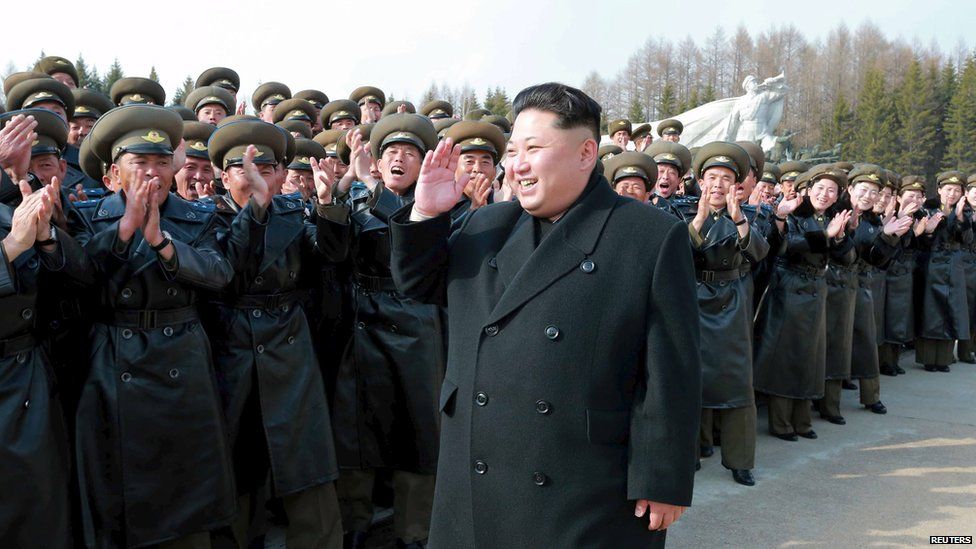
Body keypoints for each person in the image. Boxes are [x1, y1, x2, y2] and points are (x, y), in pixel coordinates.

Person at [389, 82, 701, 547]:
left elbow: (671, 368)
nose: (516, 165)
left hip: (584, 479)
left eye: (534, 148)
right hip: (478, 464)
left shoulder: (648, 236)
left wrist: (664, 478)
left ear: (585, 153)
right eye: (513, 150)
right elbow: (418, 286)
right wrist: (425, 214)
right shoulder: (487, 224)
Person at [69, 105, 239, 547]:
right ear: (112, 175)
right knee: (115, 490)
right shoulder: (88, 217)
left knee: (185, 492)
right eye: (138, 163)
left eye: (162, 163)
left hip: (180, 354)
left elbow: (219, 274)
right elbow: (79, 281)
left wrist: (162, 243)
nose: (151, 173)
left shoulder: (196, 217)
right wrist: (123, 232)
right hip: (111, 359)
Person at [203, 118, 348, 548]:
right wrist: (258, 210)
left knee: (306, 457)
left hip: (288, 341)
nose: (255, 180)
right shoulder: (202, 217)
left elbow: (331, 256)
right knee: (238, 456)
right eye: (244, 170)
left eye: (265, 171)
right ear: (223, 176)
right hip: (231, 345)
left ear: (281, 175)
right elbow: (231, 273)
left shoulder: (293, 212)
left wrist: (327, 205)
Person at [324, 114, 447, 549]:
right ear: (378, 160)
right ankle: (353, 525)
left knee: (418, 431)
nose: (400, 159)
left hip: (415, 321)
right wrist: (331, 201)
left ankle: (414, 533)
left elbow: (409, 240)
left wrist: (373, 191)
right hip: (361, 320)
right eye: (392, 152)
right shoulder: (357, 199)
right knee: (354, 429)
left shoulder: (435, 202)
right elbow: (333, 254)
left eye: (410, 154)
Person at [687, 142, 769, 487]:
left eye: (725, 178)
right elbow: (675, 255)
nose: (717, 184)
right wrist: (700, 219)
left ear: (736, 184)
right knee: (691, 380)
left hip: (733, 300)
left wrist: (737, 217)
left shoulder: (749, 215)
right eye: (711, 177)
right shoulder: (682, 212)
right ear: (700, 182)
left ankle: (739, 461)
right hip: (694, 299)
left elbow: (759, 253)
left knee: (736, 382)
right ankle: (691, 451)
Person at [754, 164, 854, 441]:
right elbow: (788, 245)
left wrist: (841, 235)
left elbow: (847, 258)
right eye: (819, 188)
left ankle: (802, 418)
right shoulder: (795, 214)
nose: (824, 194)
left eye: (831, 190)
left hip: (816, 289)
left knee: (810, 355)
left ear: (836, 197)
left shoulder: (833, 218)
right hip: (790, 287)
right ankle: (781, 421)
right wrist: (826, 237)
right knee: (786, 355)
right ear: (808, 190)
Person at [915, 171, 972, 372]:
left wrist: (958, 218)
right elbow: (919, 241)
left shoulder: (965, 212)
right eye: (948, 189)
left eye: (957, 190)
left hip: (954, 265)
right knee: (931, 310)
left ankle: (945, 358)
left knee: (951, 309)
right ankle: (929, 358)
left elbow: (967, 239)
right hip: (931, 264)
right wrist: (929, 232)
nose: (952, 193)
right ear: (939, 190)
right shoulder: (926, 210)